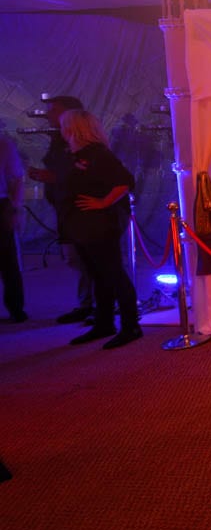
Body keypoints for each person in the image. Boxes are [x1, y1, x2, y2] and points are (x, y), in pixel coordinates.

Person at [58, 110, 141, 349]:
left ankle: (131, 326)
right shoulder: (76, 155)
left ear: (74, 128)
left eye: (64, 125)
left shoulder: (98, 154)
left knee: (113, 272)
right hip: (81, 224)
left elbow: (125, 181)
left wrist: (104, 202)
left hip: (99, 224)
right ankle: (104, 322)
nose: (61, 130)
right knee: (97, 274)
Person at [27, 95, 96, 323]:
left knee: (88, 257)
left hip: (82, 210)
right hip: (65, 208)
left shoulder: (85, 146)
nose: (48, 115)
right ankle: (87, 303)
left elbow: (90, 176)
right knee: (74, 257)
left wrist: (55, 177)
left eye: (54, 110)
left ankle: (99, 305)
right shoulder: (59, 140)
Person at [0, 130, 27, 323]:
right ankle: (16, 308)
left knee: (7, 260)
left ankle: (16, 307)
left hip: (0, 204)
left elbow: (17, 178)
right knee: (8, 260)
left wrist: (15, 207)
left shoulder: (3, 144)